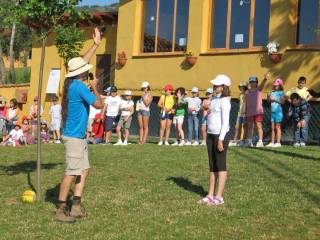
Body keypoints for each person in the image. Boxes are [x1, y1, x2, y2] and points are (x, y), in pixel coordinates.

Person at [55, 27, 104, 223]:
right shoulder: (80, 87)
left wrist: (95, 45)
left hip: (77, 136)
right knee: (71, 172)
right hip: (74, 137)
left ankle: (75, 205)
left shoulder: (71, 84)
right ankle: (60, 209)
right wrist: (94, 85)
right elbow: (99, 105)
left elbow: (82, 62)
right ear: (82, 74)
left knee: (84, 170)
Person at [198, 75, 231, 206]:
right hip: (210, 135)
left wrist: (221, 140)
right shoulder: (214, 99)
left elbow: (225, 122)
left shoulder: (225, 101)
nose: (214, 86)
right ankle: (210, 195)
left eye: (217, 85)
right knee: (212, 166)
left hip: (220, 136)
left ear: (223, 87)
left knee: (220, 165)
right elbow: (205, 109)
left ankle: (219, 196)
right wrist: (204, 106)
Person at [243, 73, 270, 147]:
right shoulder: (247, 92)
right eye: (251, 82)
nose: (252, 83)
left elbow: (262, 85)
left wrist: (265, 79)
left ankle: (260, 141)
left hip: (258, 111)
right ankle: (249, 141)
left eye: (254, 82)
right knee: (250, 127)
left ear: (256, 82)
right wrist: (244, 111)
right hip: (249, 112)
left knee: (259, 126)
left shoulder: (259, 89)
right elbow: (245, 102)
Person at [266, 79, 285, 147]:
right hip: (272, 112)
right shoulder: (272, 92)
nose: (275, 86)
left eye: (276, 85)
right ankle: (272, 142)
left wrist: (275, 100)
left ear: (280, 86)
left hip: (278, 112)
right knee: (272, 128)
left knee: (278, 127)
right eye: (274, 85)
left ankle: (278, 142)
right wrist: (268, 96)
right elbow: (268, 101)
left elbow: (283, 102)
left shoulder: (281, 92)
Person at [229, 82, 248, 147]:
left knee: (244, 126)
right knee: (237, 126)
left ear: (244, 87)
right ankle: (235, 139)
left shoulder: (247, 93)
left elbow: (246, 103)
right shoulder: (240, 94)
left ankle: (243, 140)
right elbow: (240, 103)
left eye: (241, 86)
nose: (240, 88)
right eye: (240, 87)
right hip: (239, 113)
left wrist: (245, 111)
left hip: (245, 113)